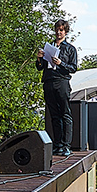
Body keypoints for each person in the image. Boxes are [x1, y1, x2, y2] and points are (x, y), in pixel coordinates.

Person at [36, 19, 78, 156]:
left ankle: (66, 145)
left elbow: (73, 68)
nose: (59, 32)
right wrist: (39, 59)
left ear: (66, 32)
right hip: (48, 81)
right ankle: (57, 144)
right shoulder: (49, 46)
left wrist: (61, 63)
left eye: (61, 30)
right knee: (54, 115)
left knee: (65, 113)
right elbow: (39, 67)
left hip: (62, 81)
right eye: (57, 30)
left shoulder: (70, 49)